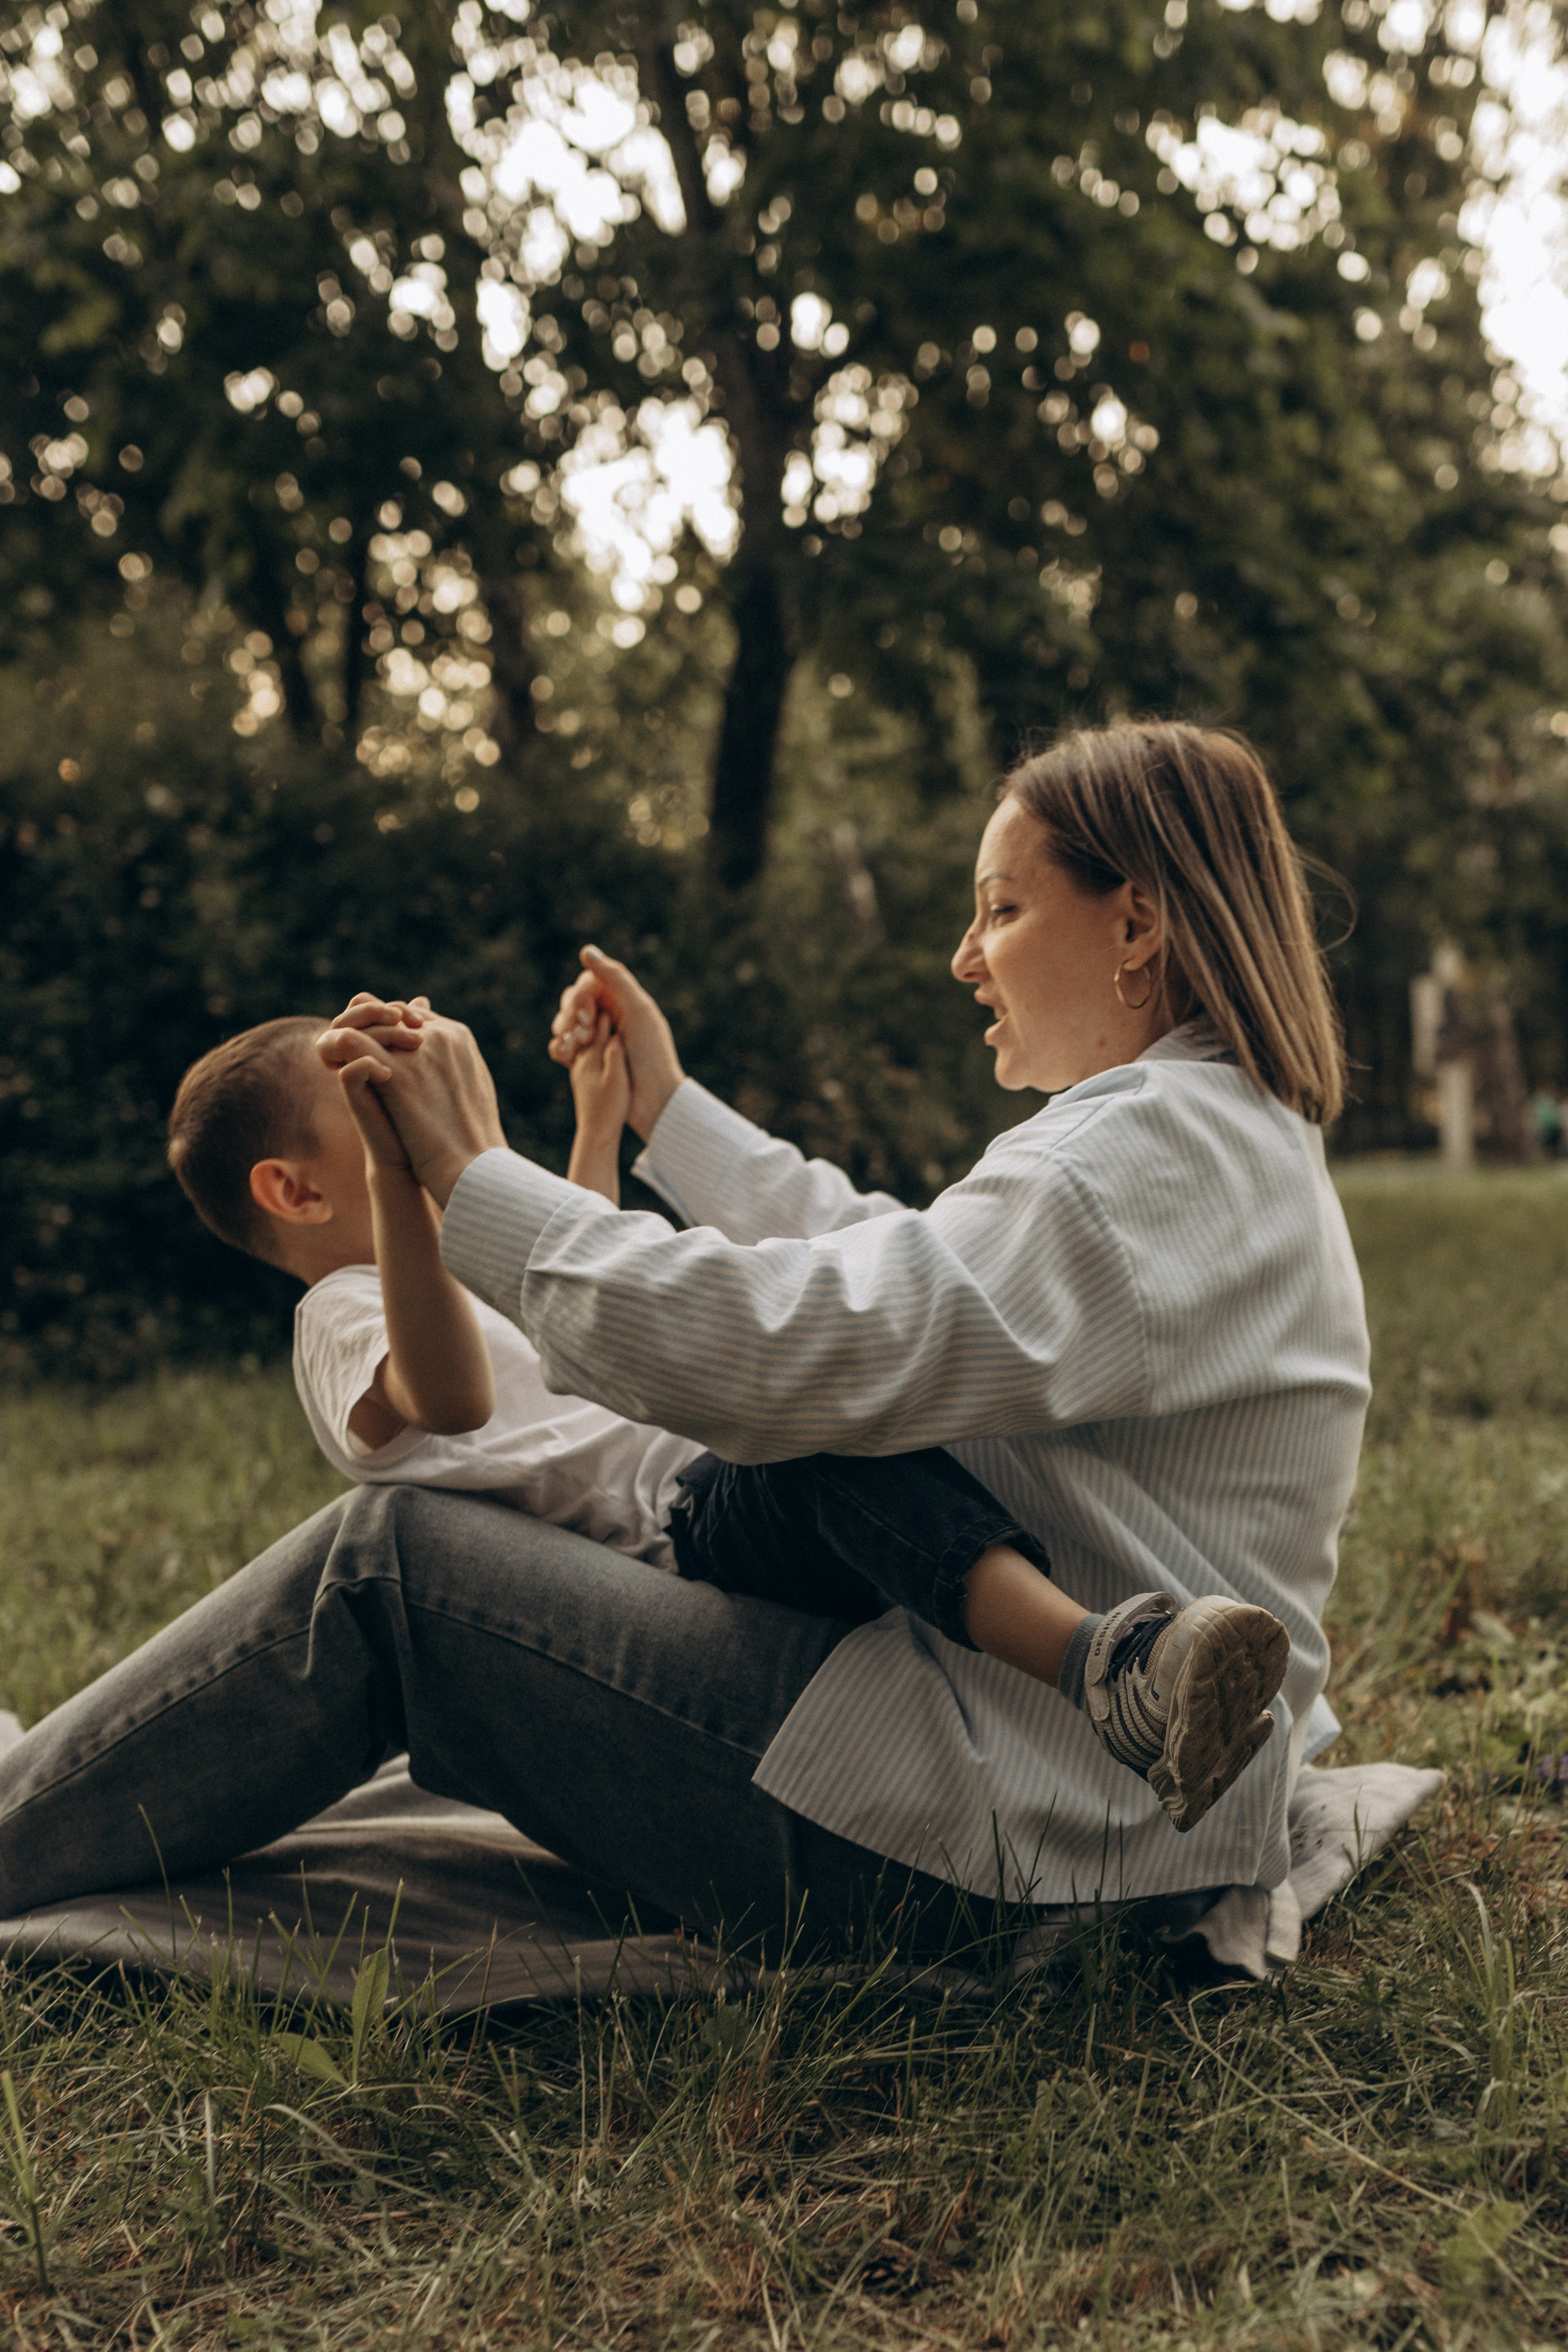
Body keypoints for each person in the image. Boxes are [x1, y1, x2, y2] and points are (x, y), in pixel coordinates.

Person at [0, 723, 1370, 1962]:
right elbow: (885, 1263)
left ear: (1135, 923)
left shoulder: (1126, 1158)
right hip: (1112, 1800)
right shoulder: (1207, 1138)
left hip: (1016, 1828)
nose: (965, 956)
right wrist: (660, 1107)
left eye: (999, 910)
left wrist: (472, 1168)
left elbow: (785, 1351)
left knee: (389, 1565)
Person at [163, 982, 1289, 1830]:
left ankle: (1112, 1669)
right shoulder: (345, 1316)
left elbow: (573, 1305)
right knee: (803, 1441)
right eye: (368, 1114)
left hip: (715, 1499)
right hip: (676, 1543)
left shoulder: (443, 1273)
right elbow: (451, 1396)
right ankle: (1109, 1669)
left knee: (857, 1399)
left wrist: (595, 1121)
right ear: (295, 1189)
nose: (404, 1124)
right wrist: (418, 1178)